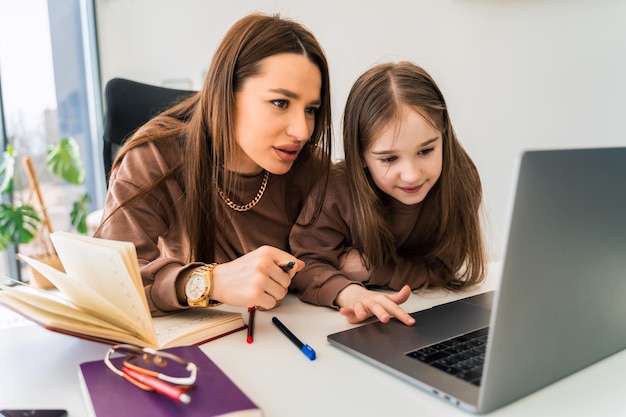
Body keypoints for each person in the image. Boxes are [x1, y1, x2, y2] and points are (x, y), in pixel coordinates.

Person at [95, 13, 332, 316]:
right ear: (227, 93)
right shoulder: (154, 156)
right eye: (280, 103)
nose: (302, 131)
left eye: (311, 109)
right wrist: (209, 282)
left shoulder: (311, 168)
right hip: (194, 345)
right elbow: (107, 283)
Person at [289, 61, 486, 326]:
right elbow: (303, 266)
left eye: (426, 150)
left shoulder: (460, 180)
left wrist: (372, 269)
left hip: (429, 315)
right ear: (360, 156)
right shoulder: (335, 192)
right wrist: (350, 292)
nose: (412, 174)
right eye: (389, 159)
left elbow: (443, 269)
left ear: (444, 137)